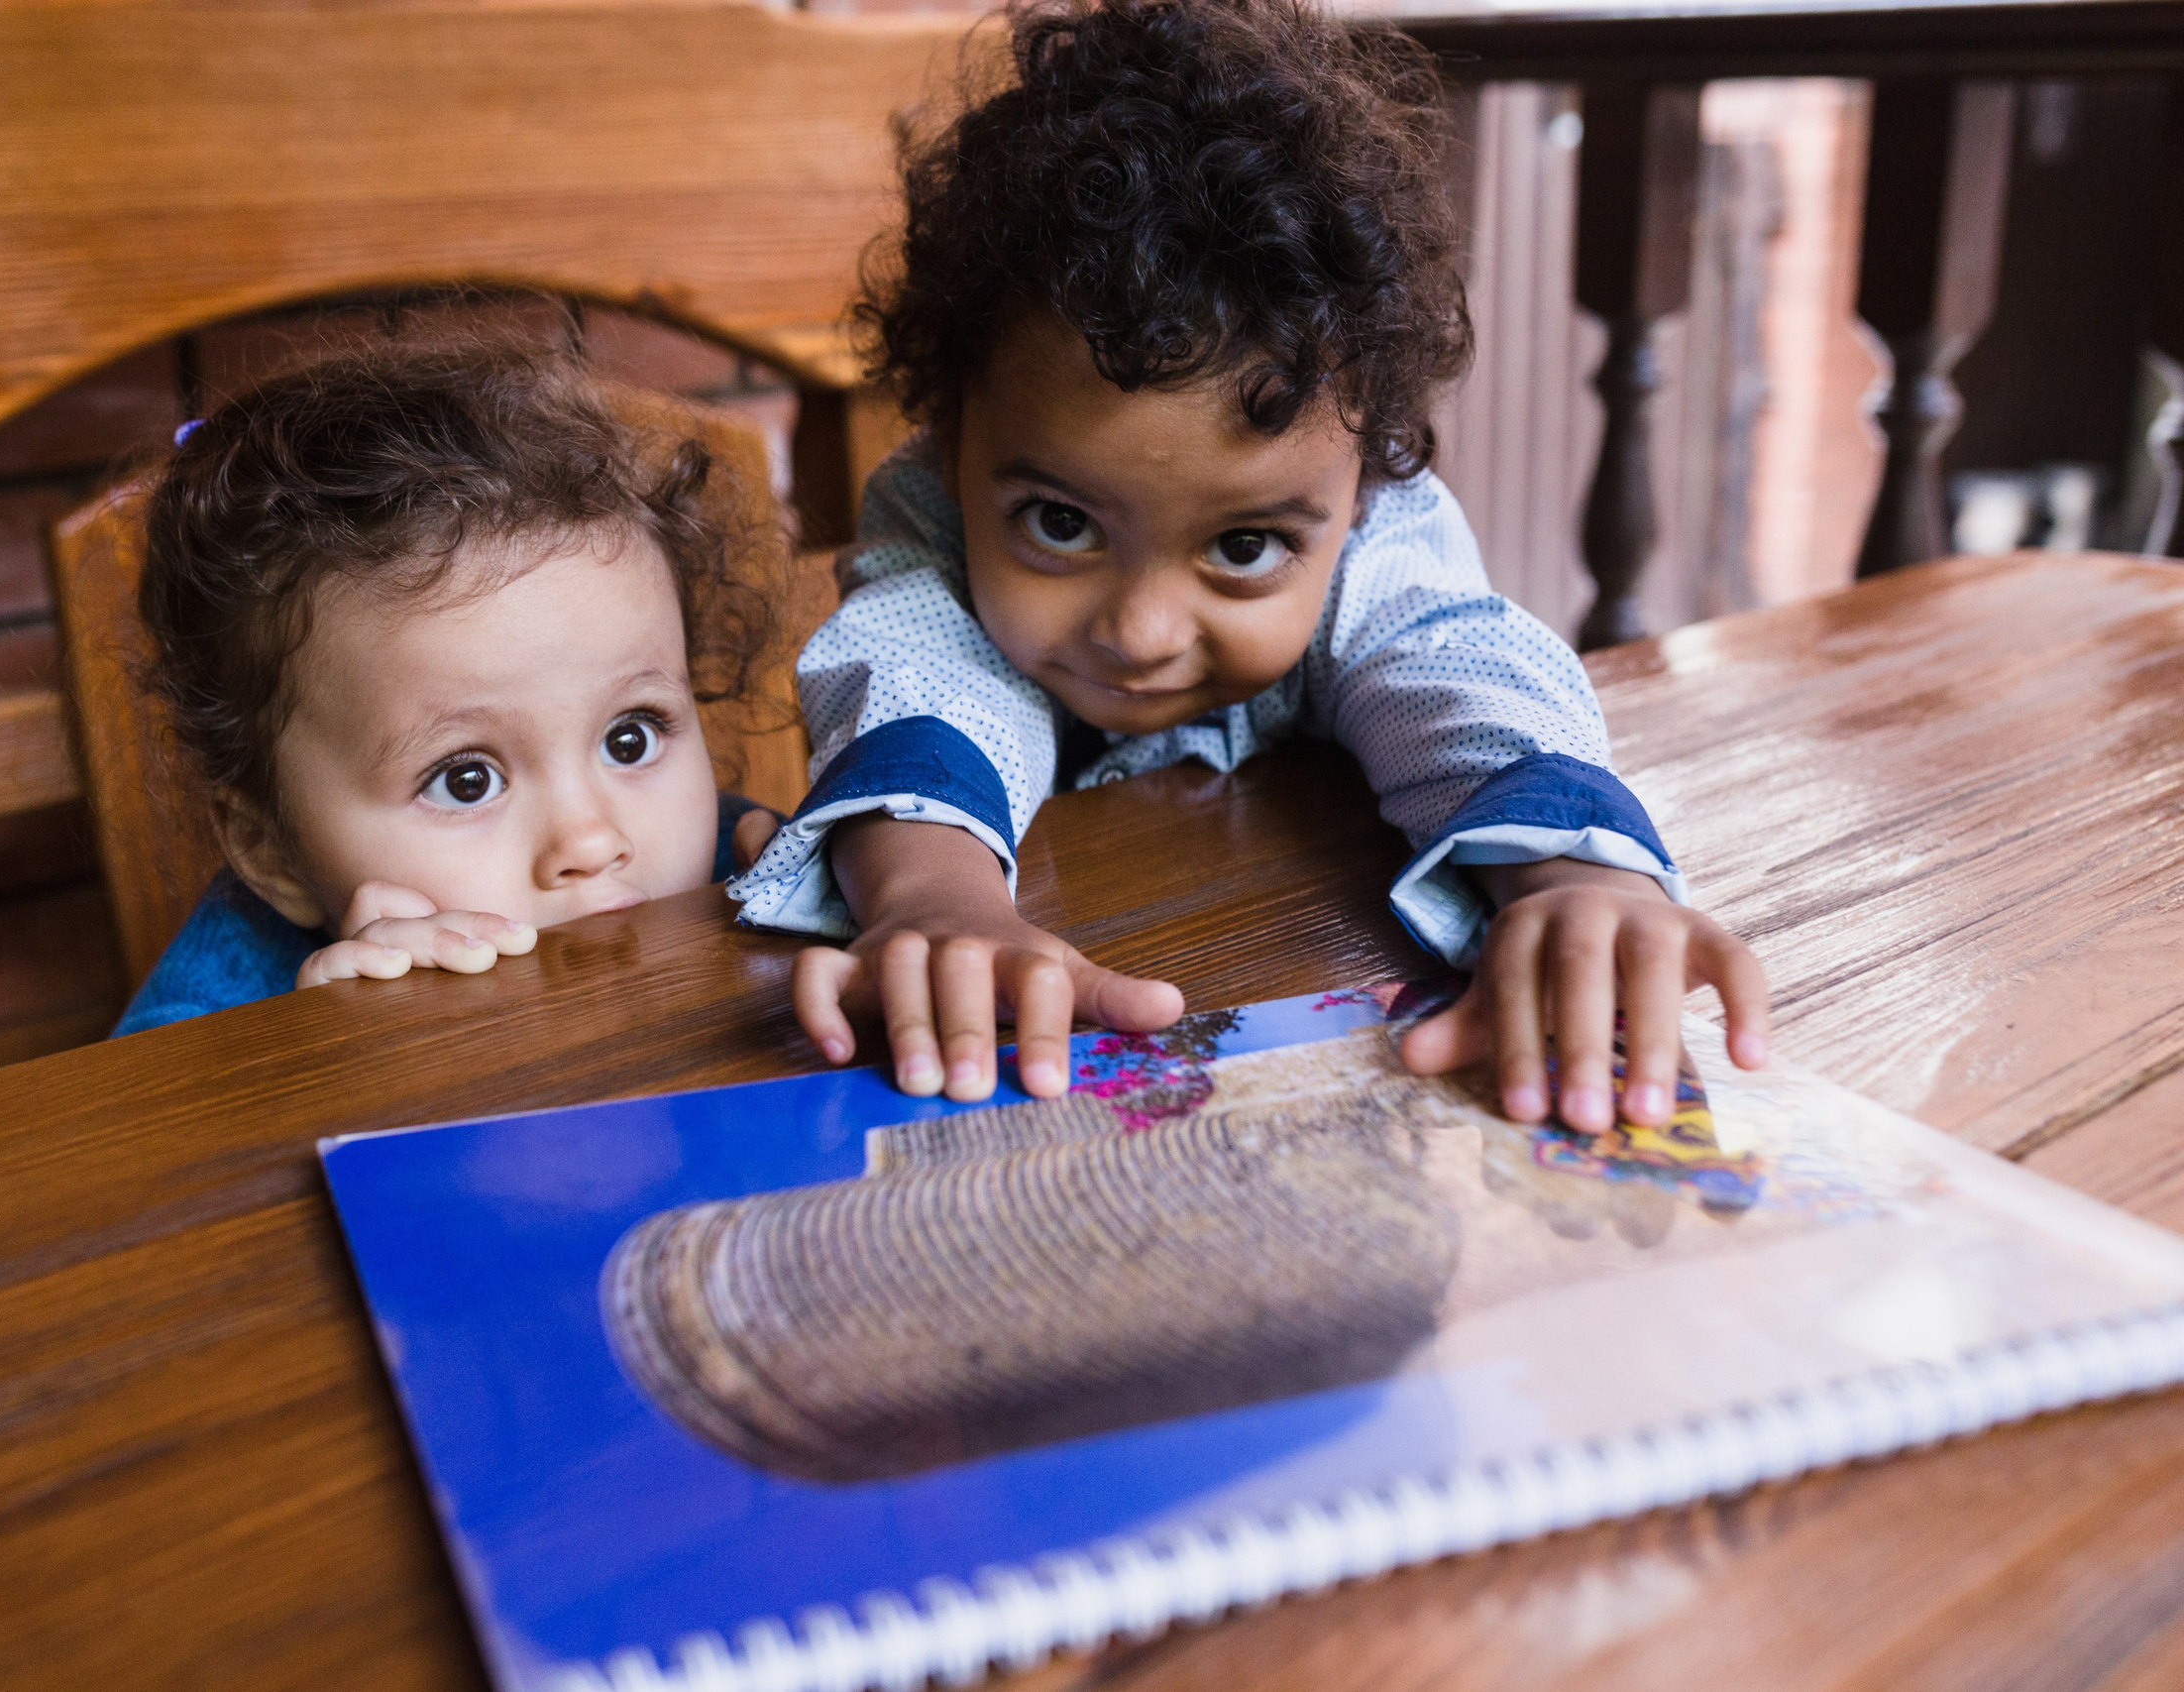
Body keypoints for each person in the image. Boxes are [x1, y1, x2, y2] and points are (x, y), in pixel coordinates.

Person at [726, 0, 1770, 1131]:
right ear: (953, 436)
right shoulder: (932, 519)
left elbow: (1453, 670)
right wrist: (933, 897)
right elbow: (922, 679)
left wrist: (1573, 878)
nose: (1141, 629)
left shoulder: (1381, 546)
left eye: (1241, 548)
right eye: (1061, 525)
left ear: (1362, 491)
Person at [114, 340, 777, 1035]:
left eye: (630, 736)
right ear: (269, 848)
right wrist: (329, 1080)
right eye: (466, 780)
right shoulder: (201, 1029)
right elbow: (132, 1143)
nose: (589, 842)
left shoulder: (753, 870)